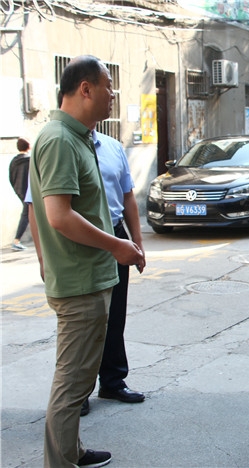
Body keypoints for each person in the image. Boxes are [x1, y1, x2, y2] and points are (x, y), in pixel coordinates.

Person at [29, 55, 145, 468]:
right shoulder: (59, 139)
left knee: (78, 379)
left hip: (91, 277)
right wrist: (116, 246)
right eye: (108, 86)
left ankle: (71, 450)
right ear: (85, 89)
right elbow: (58, 216)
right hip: (79, 282)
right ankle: (59, 462)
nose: (113, 95)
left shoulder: (79, 137)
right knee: (72, 383)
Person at [80, 130, 146, 416]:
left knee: (115, 313)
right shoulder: (60, 144)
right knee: (83, 318)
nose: (108, 106)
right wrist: (44, 257)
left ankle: (112, 381)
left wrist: (137, 242)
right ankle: (78, 390)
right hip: (81, 239)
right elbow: (36, 205)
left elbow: (127, 195)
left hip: (116, 234)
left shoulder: (112, 147)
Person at [9, 137, 31, 251]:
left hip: (20, 191)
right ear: (29, 147)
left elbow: (11, 177)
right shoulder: (29, 161)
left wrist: (17, 189)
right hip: (29, 192)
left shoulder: (14, 161)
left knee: (28, 214)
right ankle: (16, 241)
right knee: (27, 215)